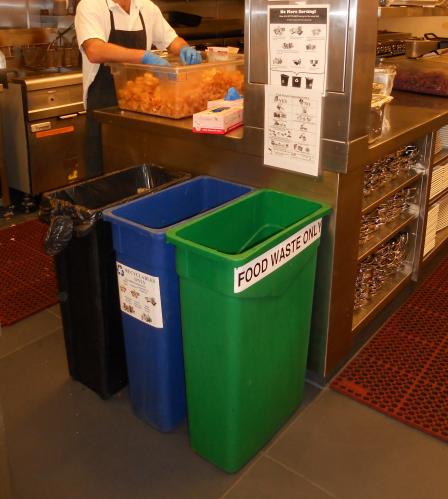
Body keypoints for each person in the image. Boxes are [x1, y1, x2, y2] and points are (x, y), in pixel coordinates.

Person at [75, 0, 201, 176]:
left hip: (141, 107)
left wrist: (184, 49)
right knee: (106, 176)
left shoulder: (146, 7)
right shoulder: (90, 5)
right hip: (104, 111)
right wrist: (143, 57)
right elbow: (95, 50)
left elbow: (171, 40)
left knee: (143, 171)